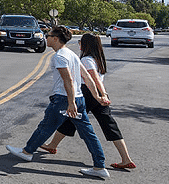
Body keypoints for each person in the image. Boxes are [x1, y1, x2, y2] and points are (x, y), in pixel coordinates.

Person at [5, 26, 111, 179]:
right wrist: (97, 97)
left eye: (48, 35)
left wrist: (71, 103)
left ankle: (27, 152)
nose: (46, 37)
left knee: (46, 126)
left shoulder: (60, 56)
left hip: (64, 99)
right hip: (79, 98)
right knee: (88, 134)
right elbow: (87, 78)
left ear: (55, 38)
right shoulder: (72, 54)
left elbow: (68, 80)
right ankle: (99, 166)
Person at [39, 33, 136, 170]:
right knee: (109, 125)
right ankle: (126, 158)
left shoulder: (86, 60)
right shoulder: (98, 59)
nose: (79, 44)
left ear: (85, 45)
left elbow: (94, 78)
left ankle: (52, 145)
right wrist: (103, 95)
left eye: (80, 42)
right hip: (97, 94)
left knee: (72, 118)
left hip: (89, 93)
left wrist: (102, 95)